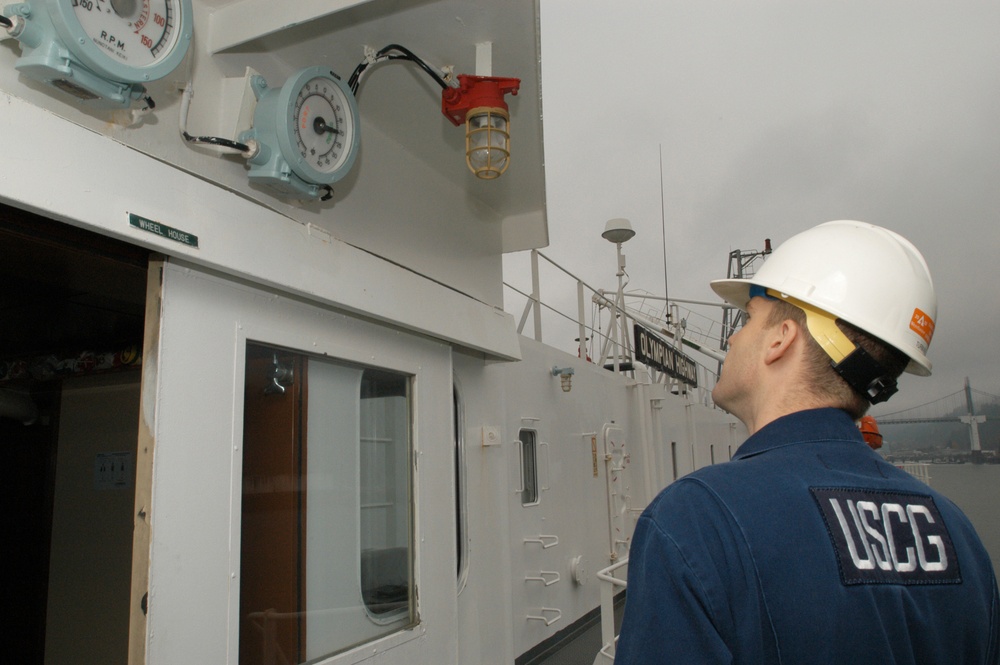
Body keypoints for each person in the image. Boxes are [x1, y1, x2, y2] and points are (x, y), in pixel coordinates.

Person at [615, 220, 999, 664]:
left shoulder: (696, 520)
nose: (732, 337)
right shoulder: (957, 532)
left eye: (747, 318)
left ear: (781, 339)